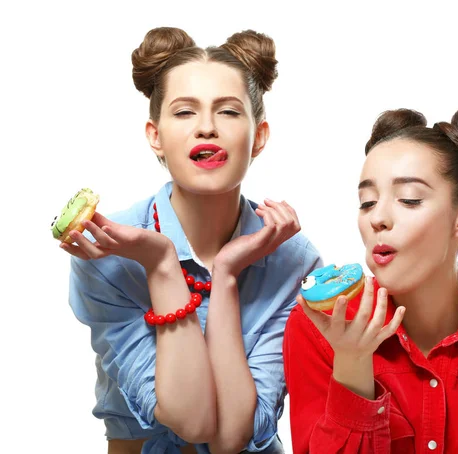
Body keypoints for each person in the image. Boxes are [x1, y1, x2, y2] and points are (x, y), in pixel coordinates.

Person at [61, 26, 321, 454]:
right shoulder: (105, 253)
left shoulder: (295, 261)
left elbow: (233, 436)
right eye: (184, 112)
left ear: (258, 137)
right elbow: (190, 418)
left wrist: (227, 275)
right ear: (155, 135)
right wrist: (161, 264)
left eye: (229, 112)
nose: (206, 128)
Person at [283, 106, 458, 453]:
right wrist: (351, 363)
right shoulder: (318, 329)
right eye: (367, 202)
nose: (379, 219)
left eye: (409, 199)